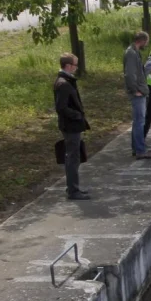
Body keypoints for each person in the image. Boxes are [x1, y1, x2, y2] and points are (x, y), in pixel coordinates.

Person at [53, 53, 90, 200]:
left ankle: (73, 188)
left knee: (74, 156)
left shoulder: (67, 81)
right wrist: (77, 115)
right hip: (70, 126)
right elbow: (61, 107)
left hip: (72, 125)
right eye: (75, 65)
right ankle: (73, 190)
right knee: (72, 158)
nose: (76, 67)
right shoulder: (63, 84)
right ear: (68, 66)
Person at [124, 30, 151, 159]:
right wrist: (135, 90)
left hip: (141, 90)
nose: (146, 44)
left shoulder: (134, 52)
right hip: (138, 92)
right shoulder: (131, 54)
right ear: (141, 41)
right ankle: (140, 150)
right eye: (146, 42)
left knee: (138, 121)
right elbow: (130, 74)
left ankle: (137, 147)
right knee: (139, 121)